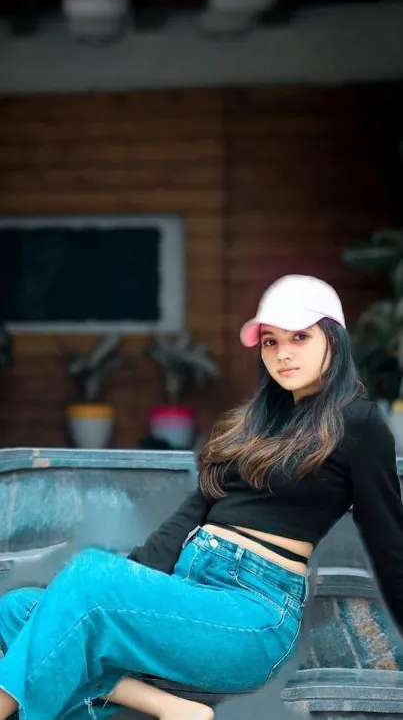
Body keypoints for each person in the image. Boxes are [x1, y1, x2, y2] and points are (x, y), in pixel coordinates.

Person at [1, 273, 403, 720]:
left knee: (86, 580)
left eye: (300, 338)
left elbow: (389, 543)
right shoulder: (249, 425)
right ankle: (169, 708)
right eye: (270, 342)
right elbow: (187, 519)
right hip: (193, 588)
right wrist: (124, 582)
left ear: (334, 339)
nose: (283, 353)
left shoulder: (359, 424)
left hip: (255, 614)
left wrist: (96, 585)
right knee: (19, 611)